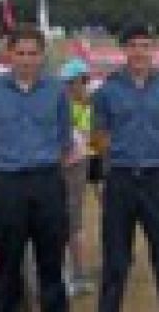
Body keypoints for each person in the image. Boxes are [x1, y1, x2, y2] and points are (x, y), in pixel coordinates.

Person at [0, 24, 71, 312]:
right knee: (8, 264)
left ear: (42, 55)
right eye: (21, 53)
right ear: (9, 54)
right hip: (9, 185)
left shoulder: (56, 89)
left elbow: (63, 135)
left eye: (33, 53)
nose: (27, 59)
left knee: (51, 263)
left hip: (47, 183)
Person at [92, 23, 159, 312]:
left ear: (153, 49)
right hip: (120, 178)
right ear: (124, 50)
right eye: (133, 46)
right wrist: (120, 155)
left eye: (144, 46)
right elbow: (98, 135)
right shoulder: (107, 90)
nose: (139, 52)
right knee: (116, 259)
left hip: (156, 178)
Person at [59, 57, 94, 297]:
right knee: (64, 224)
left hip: (75, 166)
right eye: (70, 83)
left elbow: (88, 138)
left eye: (78, 82)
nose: (74, 86)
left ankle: (77, 275)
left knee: (73, 223)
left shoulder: (88, 106)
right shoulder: (62, 104)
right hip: (61, 166)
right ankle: (69, 275)